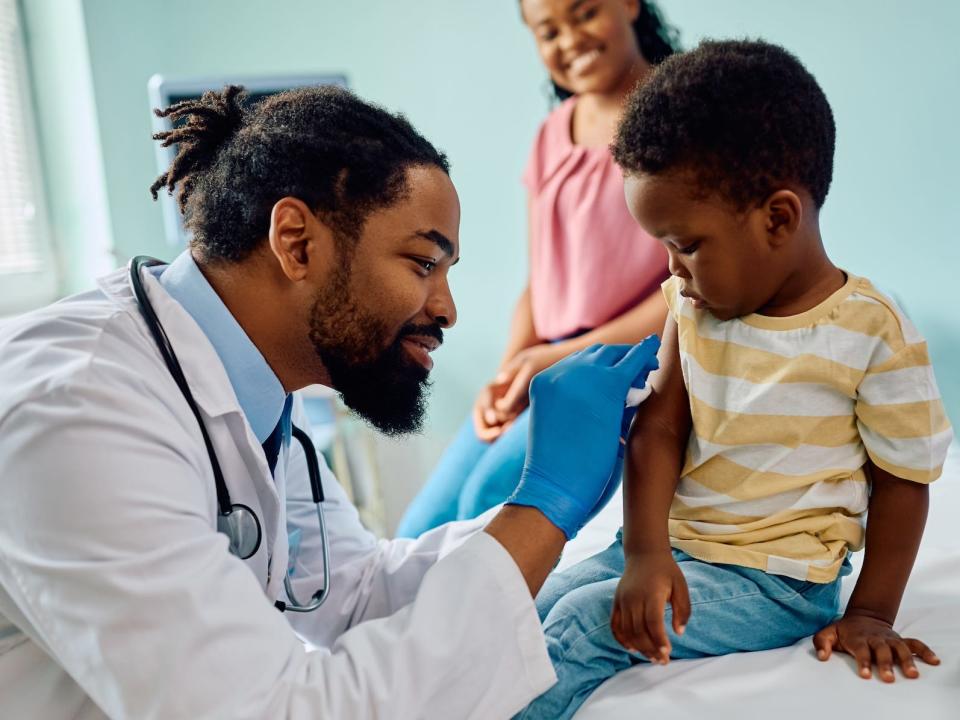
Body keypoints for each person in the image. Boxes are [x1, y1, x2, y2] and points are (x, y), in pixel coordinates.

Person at [0, 85, 661, 719]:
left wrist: (576, 533)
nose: (447, 309)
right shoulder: (78, 413)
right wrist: (543, 504)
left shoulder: (244, 390)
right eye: (421, 263)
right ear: (296, 242)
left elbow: (357, 590)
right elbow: (270, 712)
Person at [517, 40, 953, 719]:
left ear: (778, 218)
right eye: (663, 246)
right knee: (533, 606)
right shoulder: (691, 310)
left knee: (581, 627)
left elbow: (904, 479)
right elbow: (657, 431)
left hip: (775, 585)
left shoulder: (872, 331)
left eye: (686, 245)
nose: (673, 269)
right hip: (682, 548)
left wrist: (870, 611)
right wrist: (644, 553)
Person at [397, 0, 679, 537]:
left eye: (585, 13)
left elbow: (685, 288)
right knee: (419, 528)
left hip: (623, 363)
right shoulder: (553, 134)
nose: (570, 39)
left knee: (486, 505)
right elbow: (541, 280)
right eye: (549, 31)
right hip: (548, 362)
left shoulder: (676, 122)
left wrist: (555, 358)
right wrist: (509, 375)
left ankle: (476, 621)